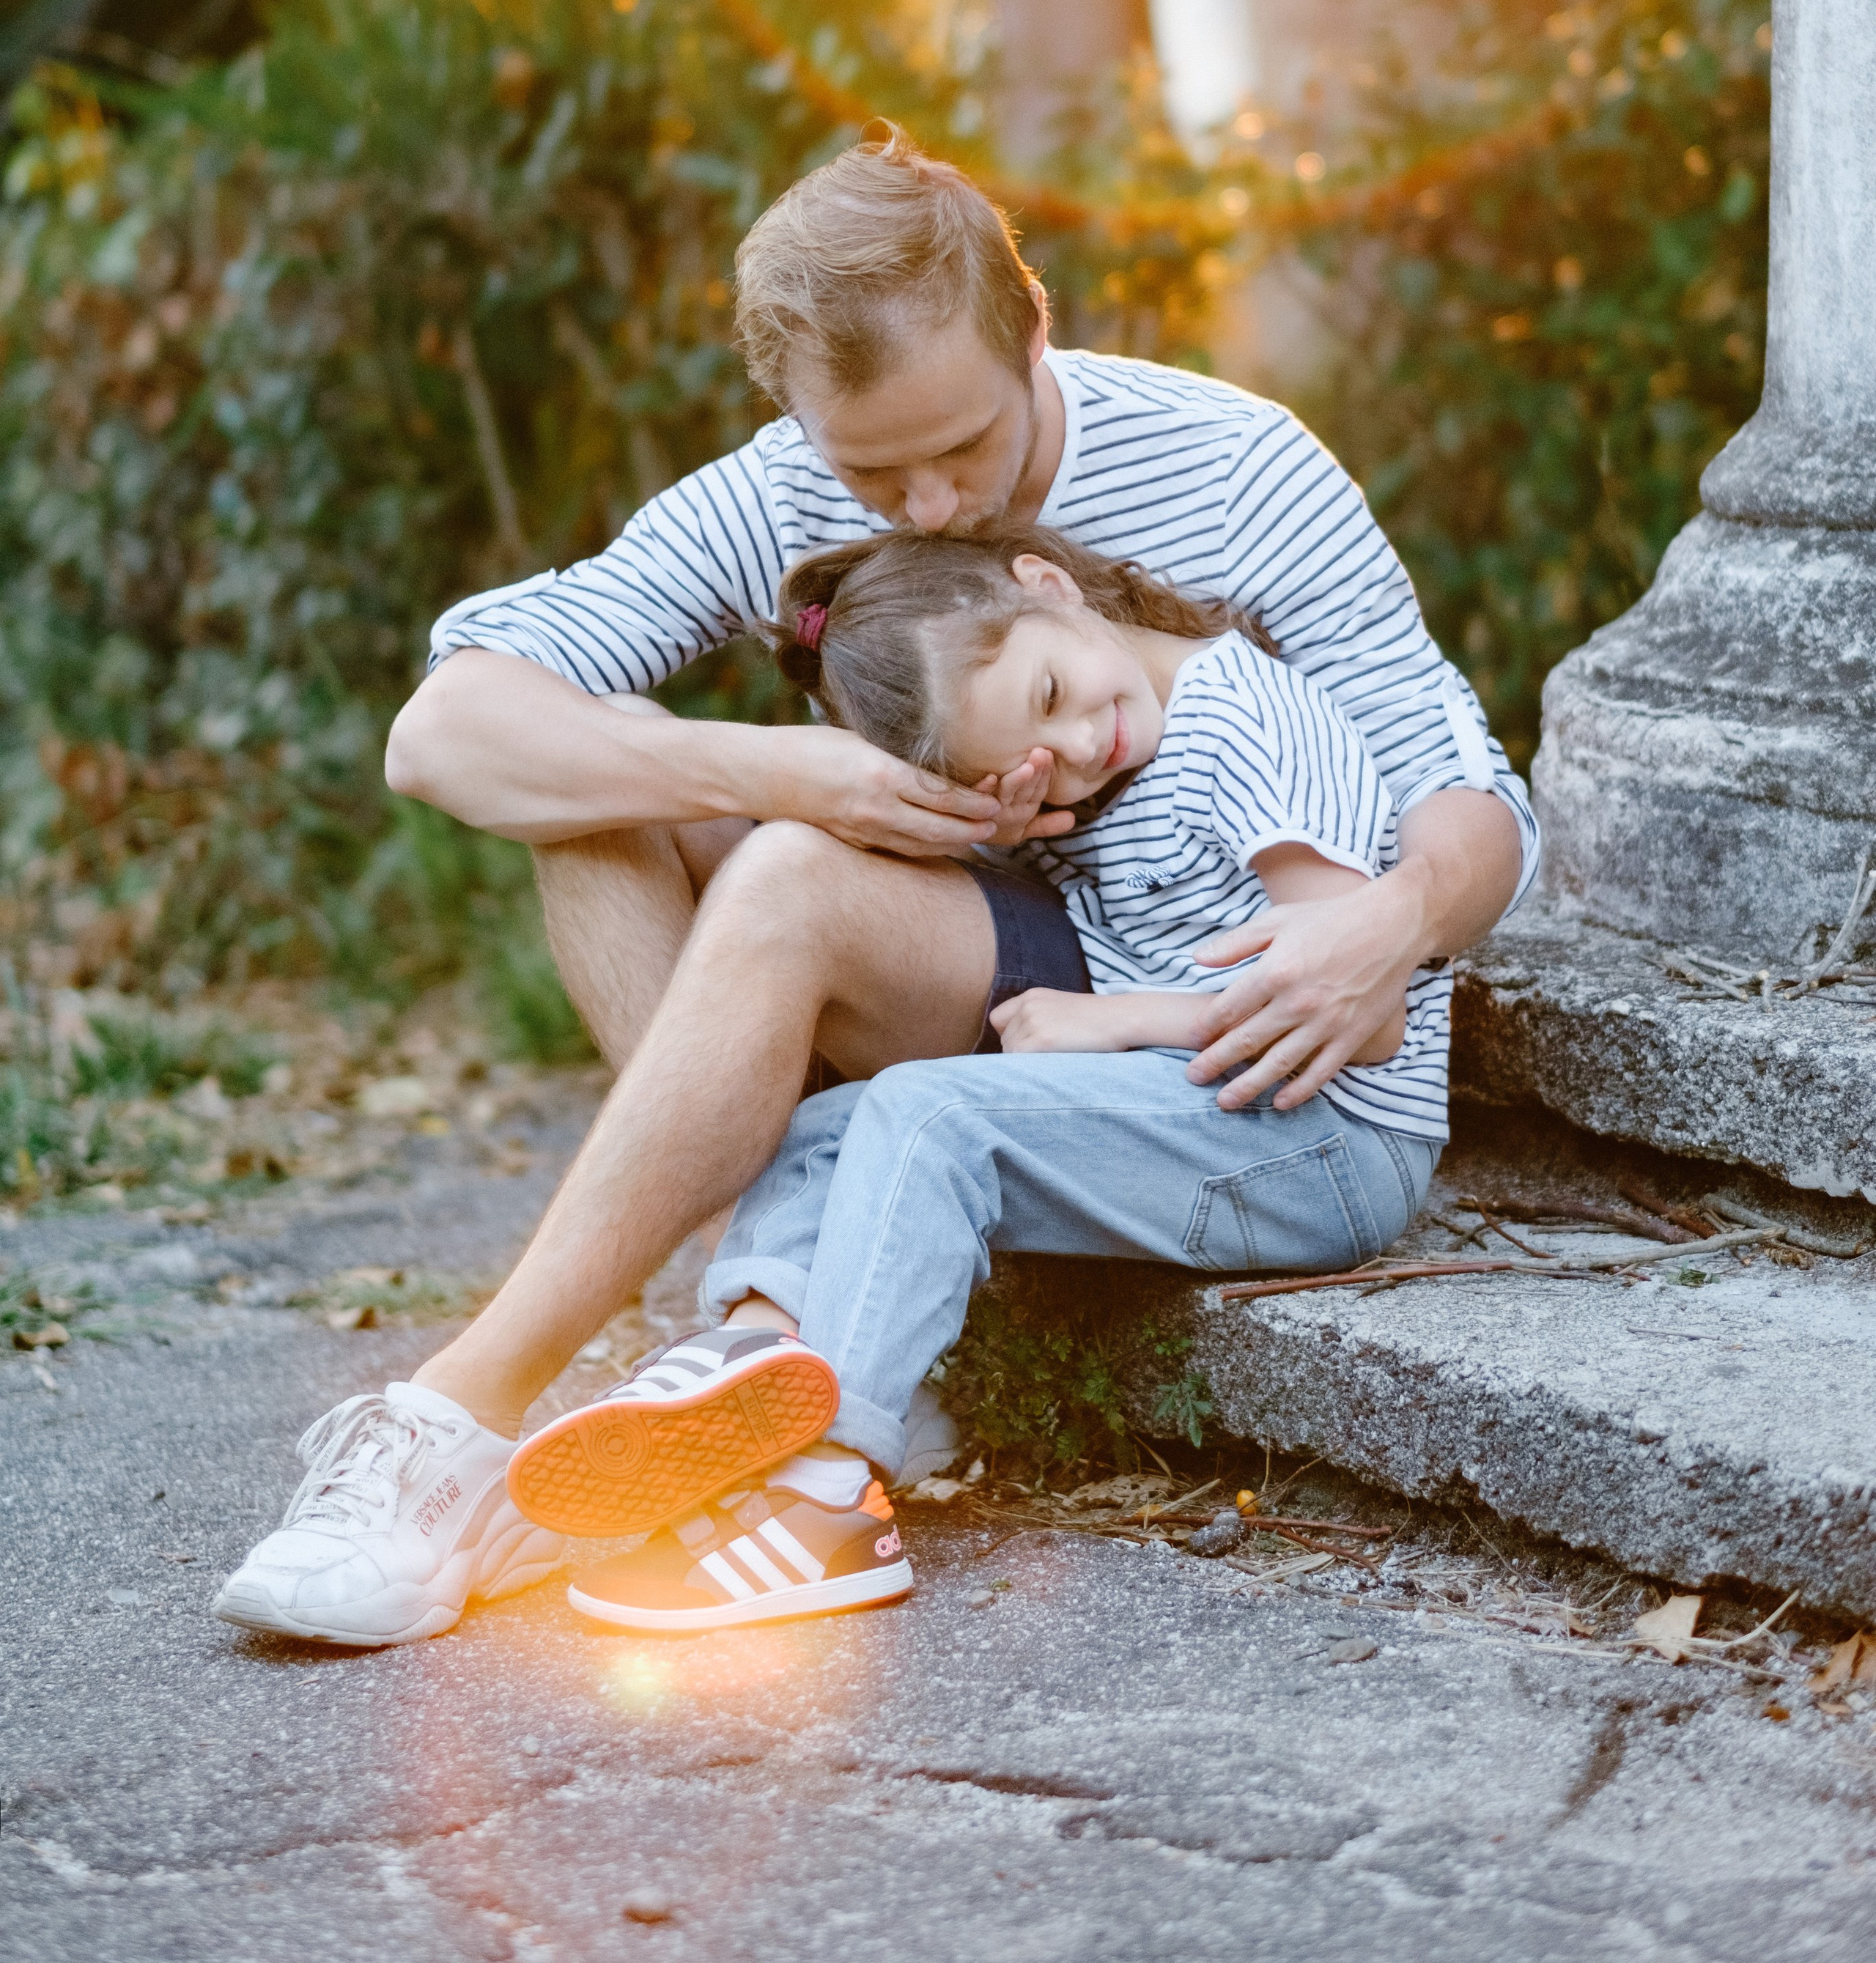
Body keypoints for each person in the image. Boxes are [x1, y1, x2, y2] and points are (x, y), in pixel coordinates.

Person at [213, 129, 1533, 1649]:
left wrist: (1391, 925)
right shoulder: (777, 489)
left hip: (1179, 1015)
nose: (923, 507)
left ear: (1032, 326)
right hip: (1030, 973)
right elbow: (443, 735)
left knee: (780, 889)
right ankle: (767, 1341)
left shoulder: (1235, 474)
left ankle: (470, 1415)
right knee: (609, 777)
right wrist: (782, 772)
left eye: (961, 446)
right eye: (867, 470)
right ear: (793, 416)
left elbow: (1468, 798)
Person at [514, 522, 1453, 1633]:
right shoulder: (1083, 774)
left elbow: (1364, 1013)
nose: (1080, 743)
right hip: (1209, 1103)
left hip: (1329, 1138)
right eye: (1032, 750)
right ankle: (761, 1353)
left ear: (1051, 585)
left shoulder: (1249, 726)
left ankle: (829, 1503)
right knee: (836, 1124)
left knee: (930, 1114)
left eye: (1055, 688)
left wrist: (1111, 1023)